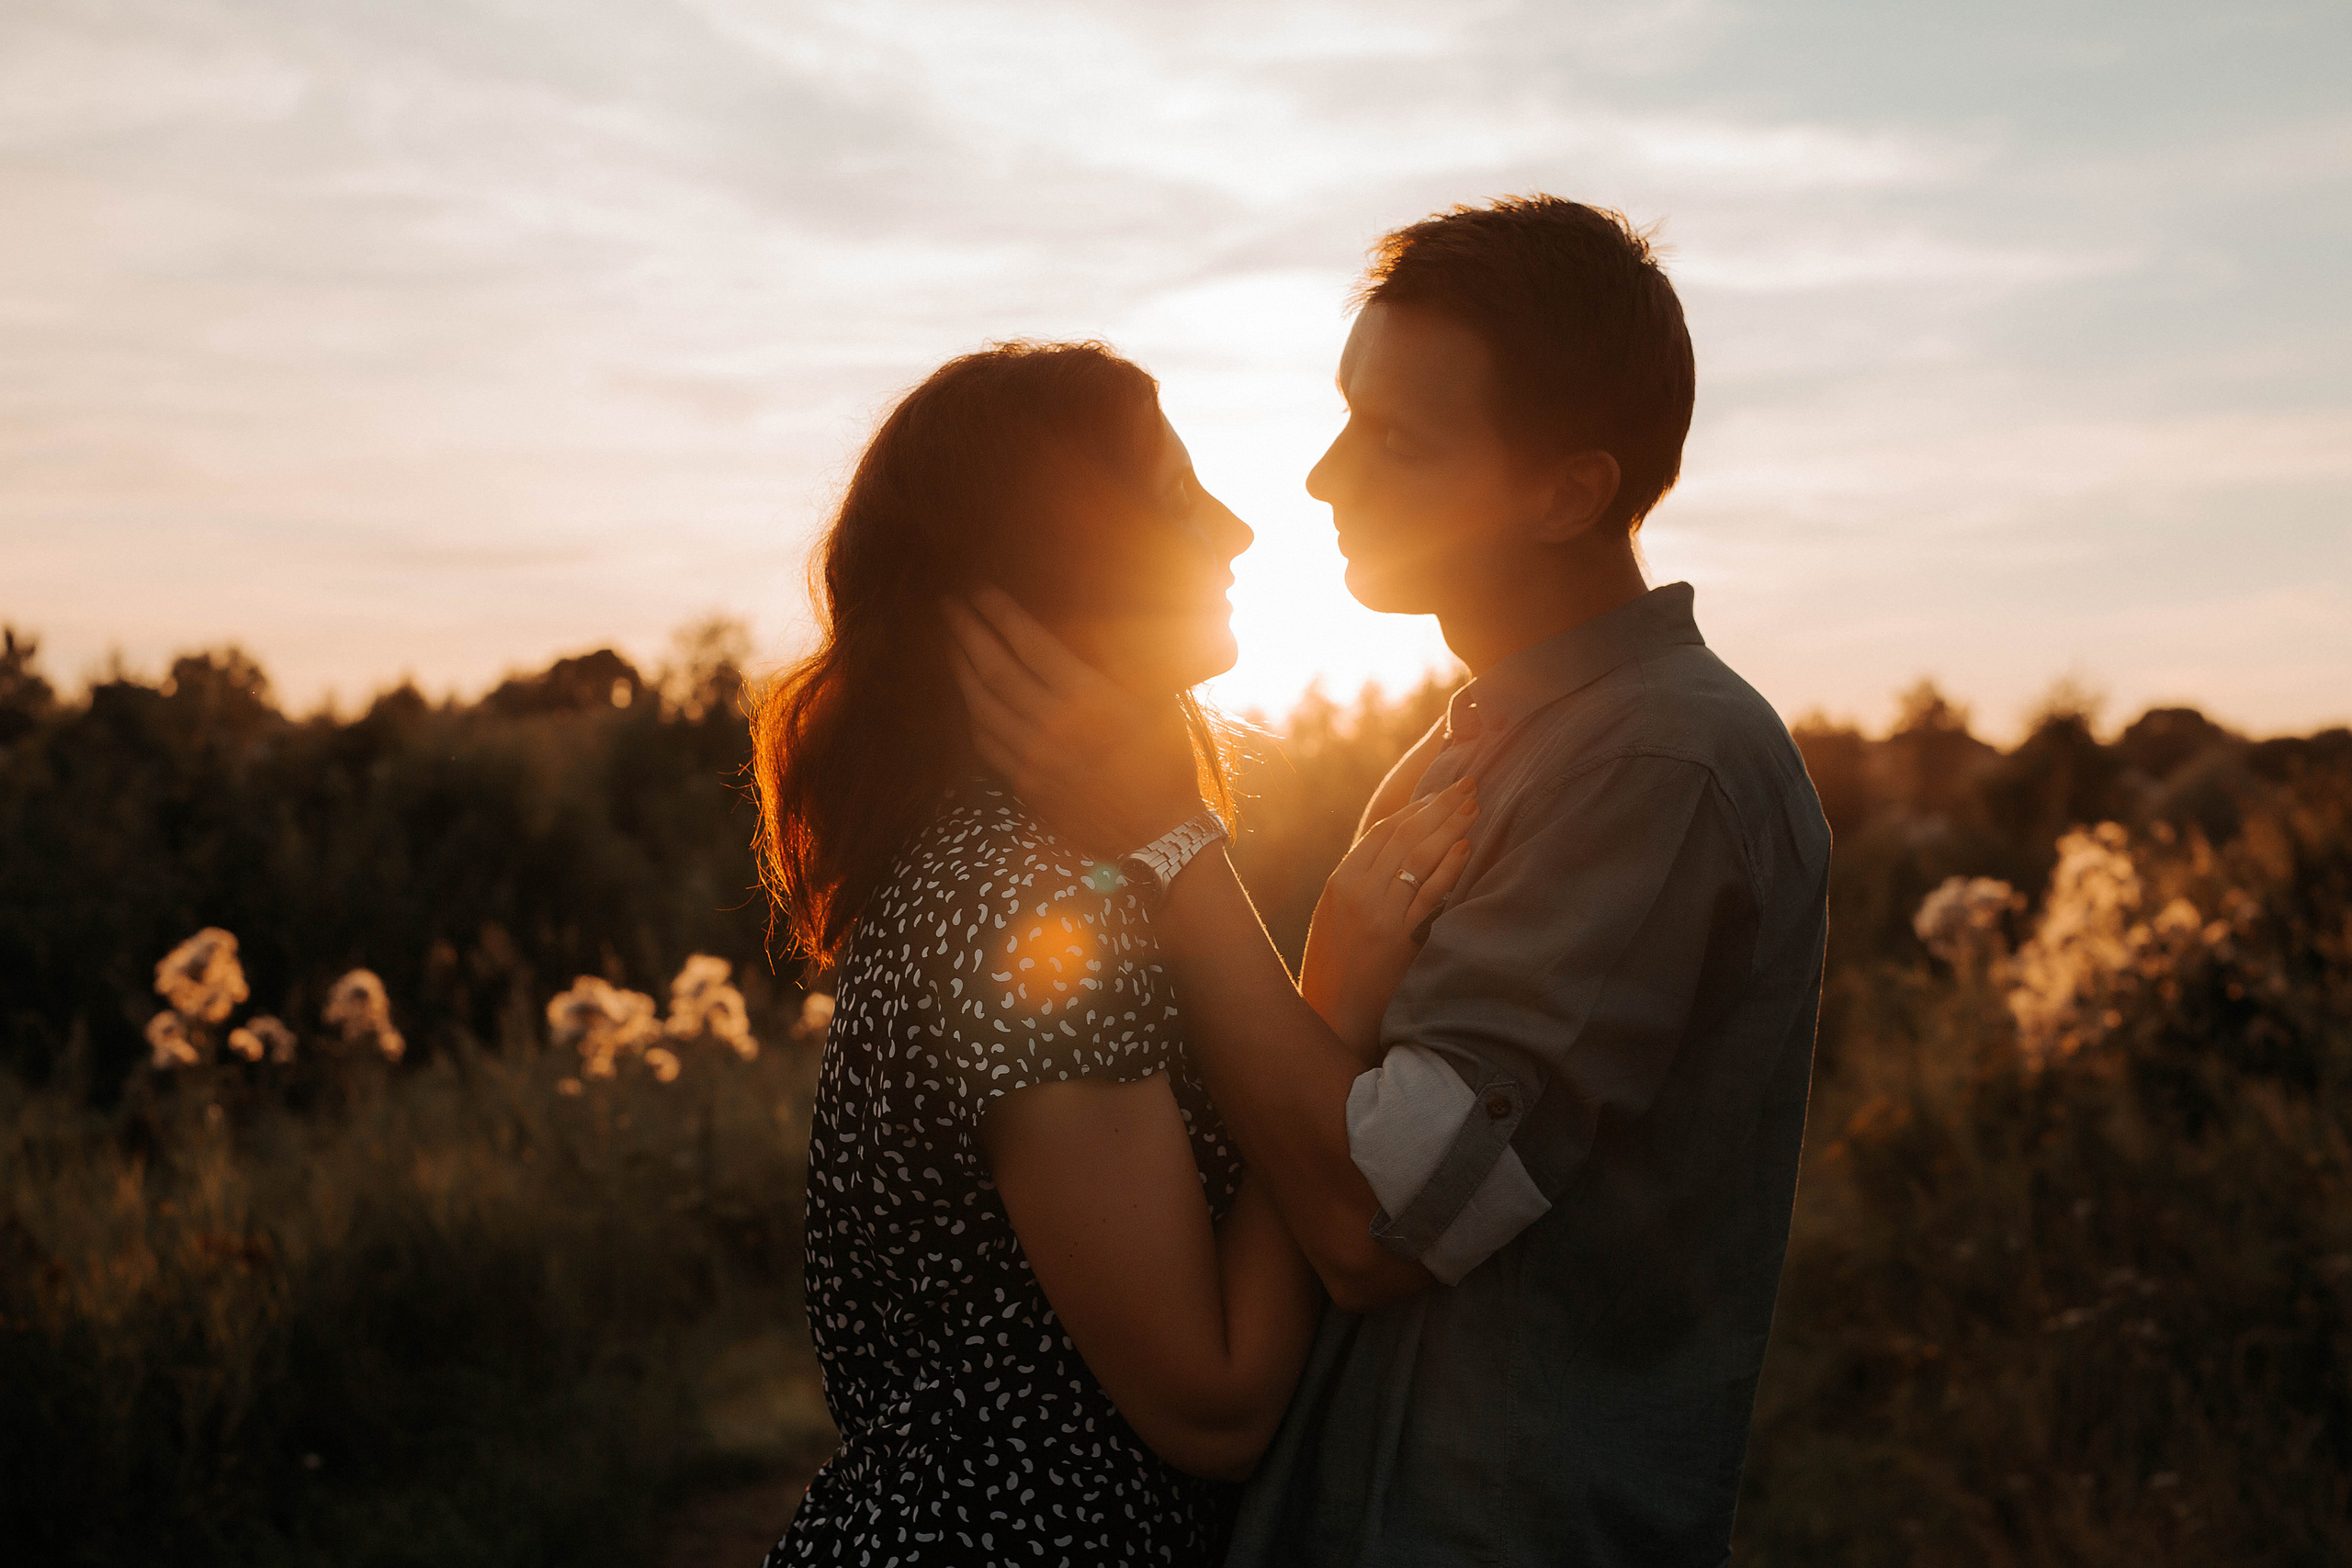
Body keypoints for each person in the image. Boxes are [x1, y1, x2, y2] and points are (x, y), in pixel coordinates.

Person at [947, 197, 1832, 1564]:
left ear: (1568, 492)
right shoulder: (1487, 738)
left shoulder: (1660, 763)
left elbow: (1376, 1224)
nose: (1324, 479)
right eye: (1346, 412)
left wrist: (1172, 843)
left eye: (1398, 443)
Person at [752, 340, 1478, 1566]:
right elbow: (1217, 1402)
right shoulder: (1016, 895)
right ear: (1068, 553)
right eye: (1180, 496)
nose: (1240, 531)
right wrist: (1334, 994)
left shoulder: (1030, 865)